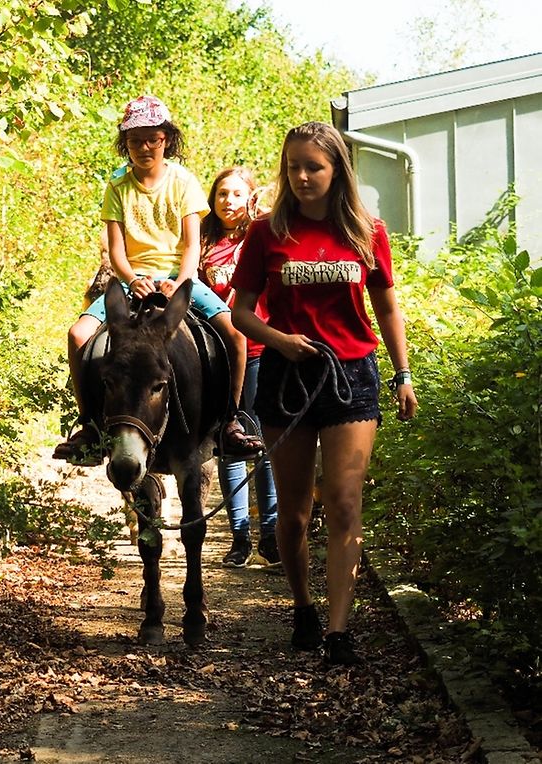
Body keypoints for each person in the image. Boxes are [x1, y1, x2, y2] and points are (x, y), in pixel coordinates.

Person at [231, 121, 418, 666]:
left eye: (314, 166)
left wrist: (403, 374)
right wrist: (279, 341)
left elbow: (386, 307)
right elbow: (241, 312)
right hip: (287, 377)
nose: (302, 176)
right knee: (293, 513)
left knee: (343, 500)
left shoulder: (366, 231)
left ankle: (338, 632)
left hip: (351, 376)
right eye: (293, 167)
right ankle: (303, 606)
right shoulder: (266, 232)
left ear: (337, 171)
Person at [53, 95, 263, 465]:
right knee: (78, 335)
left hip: (178, 279)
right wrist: (131, 278)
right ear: (126, 143)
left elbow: (192, 244)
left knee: (234, 333)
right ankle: (89, 426)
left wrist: (181, 282)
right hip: (133, 279)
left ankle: (228, 421)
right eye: (135, 140)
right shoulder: (117, 186)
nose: (144, 147)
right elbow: (116, 249)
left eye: (153, 139)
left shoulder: (183, 182)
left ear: (166, 139)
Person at [199, 167, 279, 569]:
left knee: (262, 441)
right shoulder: (203, 241)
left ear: (251, 198)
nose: (228, 201)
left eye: (236, 194)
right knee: (229, 442)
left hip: (262, 350)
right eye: (221, 194)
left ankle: (271, 535)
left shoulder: (262, 234)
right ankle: (239, 537)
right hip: (219, 357)